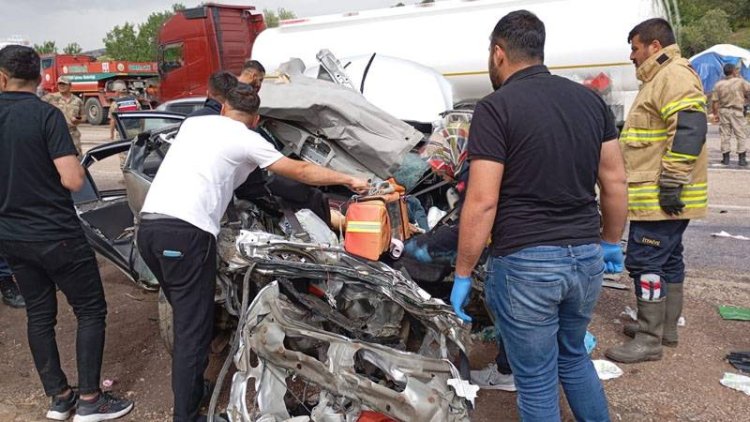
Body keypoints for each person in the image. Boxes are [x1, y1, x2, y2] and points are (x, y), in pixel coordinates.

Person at [136, 83, 368, 422]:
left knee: (187, 317)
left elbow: (243, 180)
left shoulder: (194, 124)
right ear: (256, 119)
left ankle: (194, 389)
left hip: (150, 231)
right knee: (193, 332)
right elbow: (299, 171)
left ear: (223, 107)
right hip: (186, 235)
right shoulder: (247, 138)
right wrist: (350, 180)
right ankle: (186, 416)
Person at [451, 11, 627, 421]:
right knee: (573, 356)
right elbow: (616, 183)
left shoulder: (495, 108)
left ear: (498, 53)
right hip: (585, 259)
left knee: (535, 379)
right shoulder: (589, 101)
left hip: (527, 263)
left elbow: (482, 201)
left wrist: (463, 272)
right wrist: (611, 242)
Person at [0, 45, 133, 422]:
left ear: (1, 78)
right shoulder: (47, 115)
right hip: (56, 234)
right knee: (90, 310)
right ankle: (91, 401)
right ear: (42, 77)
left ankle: (59, 398)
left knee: (40, 315)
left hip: (11, 236)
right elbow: (74, 179)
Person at [605, 18, 708, 364]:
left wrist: (672, 181)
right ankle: (665, 329)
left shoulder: (673, 75)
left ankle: (649, 338)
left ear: (654, 46)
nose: (632, 56)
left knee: (645, 261)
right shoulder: (661, 78)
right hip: (662, 193)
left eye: (635, 48)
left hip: (661, 194)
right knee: (669, 259)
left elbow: (690, 128)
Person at [711, 63, 750, 166]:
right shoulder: (741, 82)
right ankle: (741, 159)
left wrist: (715, 114)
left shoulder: (718, 84)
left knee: (725, 134)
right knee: (740, 134)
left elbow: (715, 102)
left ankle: (726, 158)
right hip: (737, 111)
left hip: (723, 111)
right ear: (733, 71)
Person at [42, 76, 84, 156]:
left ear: (70, 86)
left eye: (64, 84)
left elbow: (84, 116)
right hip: (56, 133)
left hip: (72, 134)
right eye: (59, 84)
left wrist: (78, 120)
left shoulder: (77, 100)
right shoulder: (50, 98)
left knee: (76, 158)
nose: (61, 86)